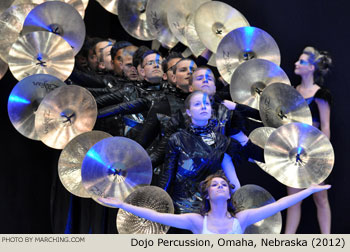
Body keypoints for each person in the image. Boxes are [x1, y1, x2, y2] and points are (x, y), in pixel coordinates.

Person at [99, 171, 331, 234]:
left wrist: (309, 190)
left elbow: (280, 203)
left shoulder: (243, 218)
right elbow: (157, 216)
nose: (220, 186)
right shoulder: (196, 222)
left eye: (223, 185)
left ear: (229, 194)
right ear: (208, 195)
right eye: (215, 185)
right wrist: (122, 205)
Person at [285, 46, 333, 234]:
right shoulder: (291, 92)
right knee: (293, 199)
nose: (296, 64)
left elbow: (326, 126)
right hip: (293, 149)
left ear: (312, 68)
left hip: (314, 152)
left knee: (321, 198)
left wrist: (322, 154)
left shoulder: (321, 94)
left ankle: (327, 240)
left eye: (302, 62)